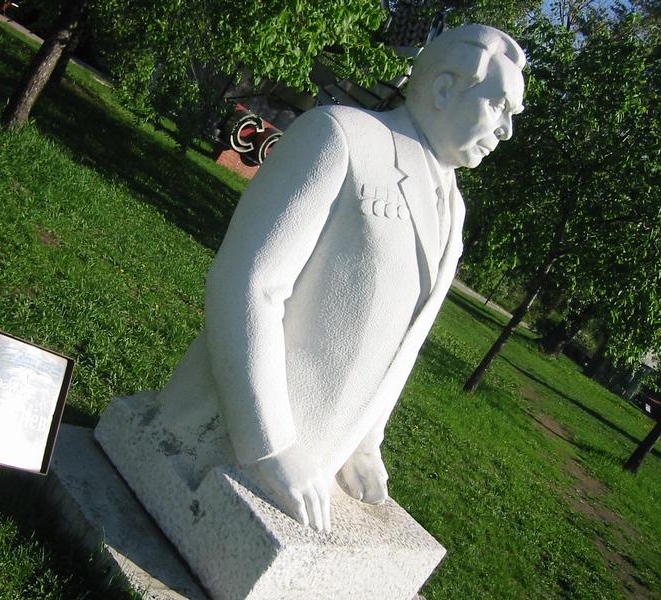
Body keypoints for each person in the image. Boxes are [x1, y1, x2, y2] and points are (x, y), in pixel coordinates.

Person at [100, 24, 525, 534]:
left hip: (323, 452)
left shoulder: (452, 209)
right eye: (499, 106)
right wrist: (272, 445)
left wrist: (363, 442)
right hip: (224, 438)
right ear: (444, 89)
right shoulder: (340, 136)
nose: (507, 131)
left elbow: (403, 338)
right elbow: (247, 283)